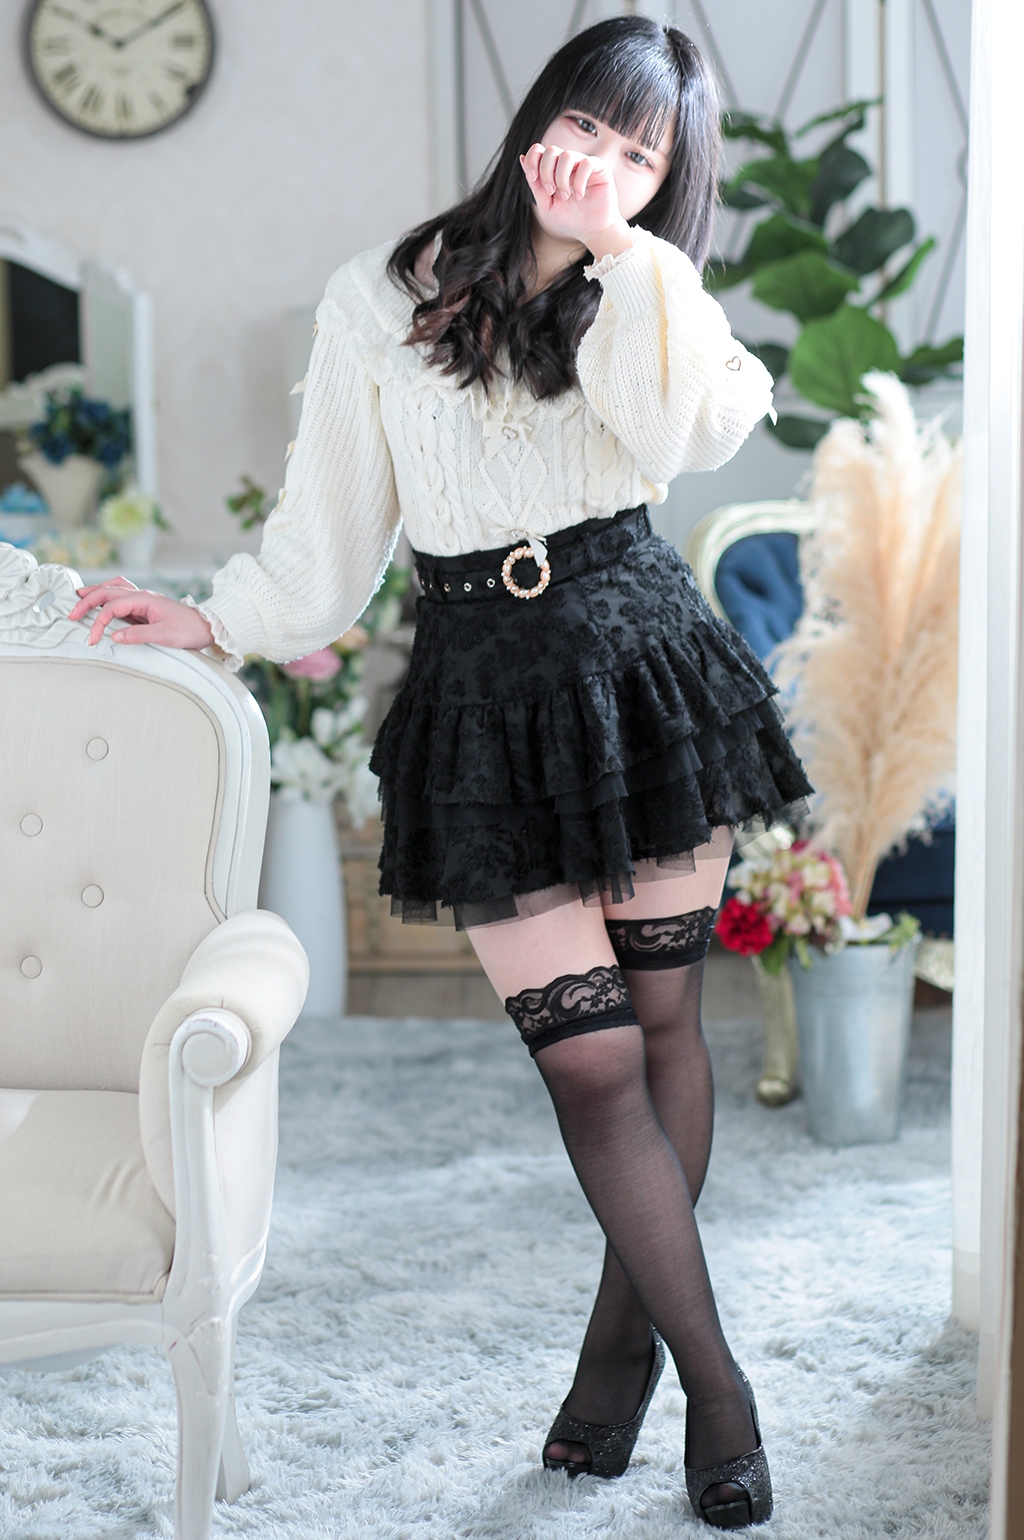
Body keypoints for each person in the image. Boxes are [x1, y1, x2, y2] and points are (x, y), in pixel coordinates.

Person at [70, 16, 811, 1528]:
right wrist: (216, 615)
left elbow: (680, 437)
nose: (596, 163)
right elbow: (330, 532)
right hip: (480, 684)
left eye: (638, 153)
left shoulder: (651, 294)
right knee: (589, 1059)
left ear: (664, 183)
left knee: (665, 1025)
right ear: (537, 120)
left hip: (637, 657)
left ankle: (650, 1375)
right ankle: (712, 1375)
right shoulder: (383, 293)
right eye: (584, 125)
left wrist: (632, 260)